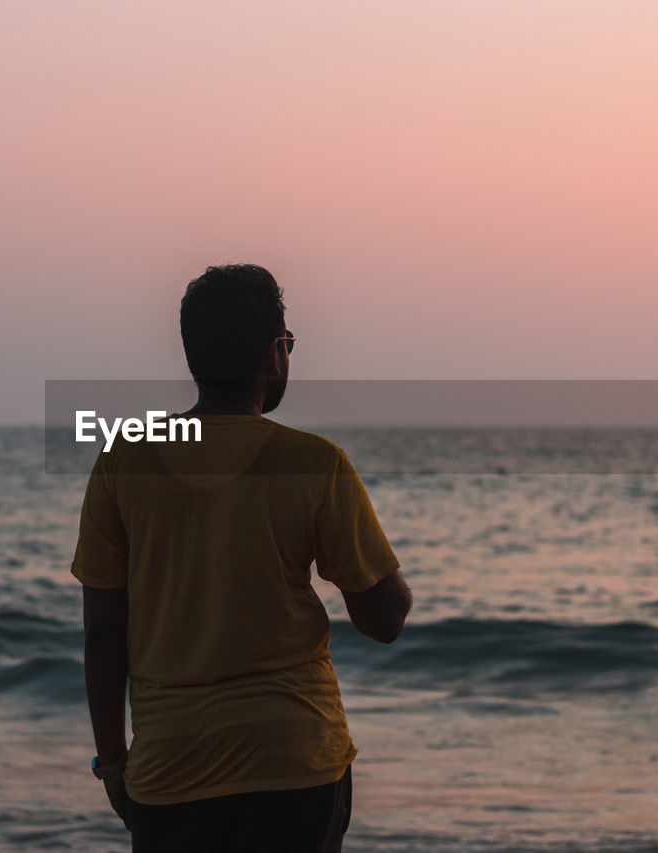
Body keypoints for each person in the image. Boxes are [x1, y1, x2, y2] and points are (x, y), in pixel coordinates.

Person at [72, 263, 411, 852]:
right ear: (274, 353)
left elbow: (103, 634)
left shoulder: (125, 459)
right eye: (288, 344)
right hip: (294, 759)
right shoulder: (313, 462)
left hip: (171, 768)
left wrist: (112, 762)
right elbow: (384, 622)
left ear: (192, 357)